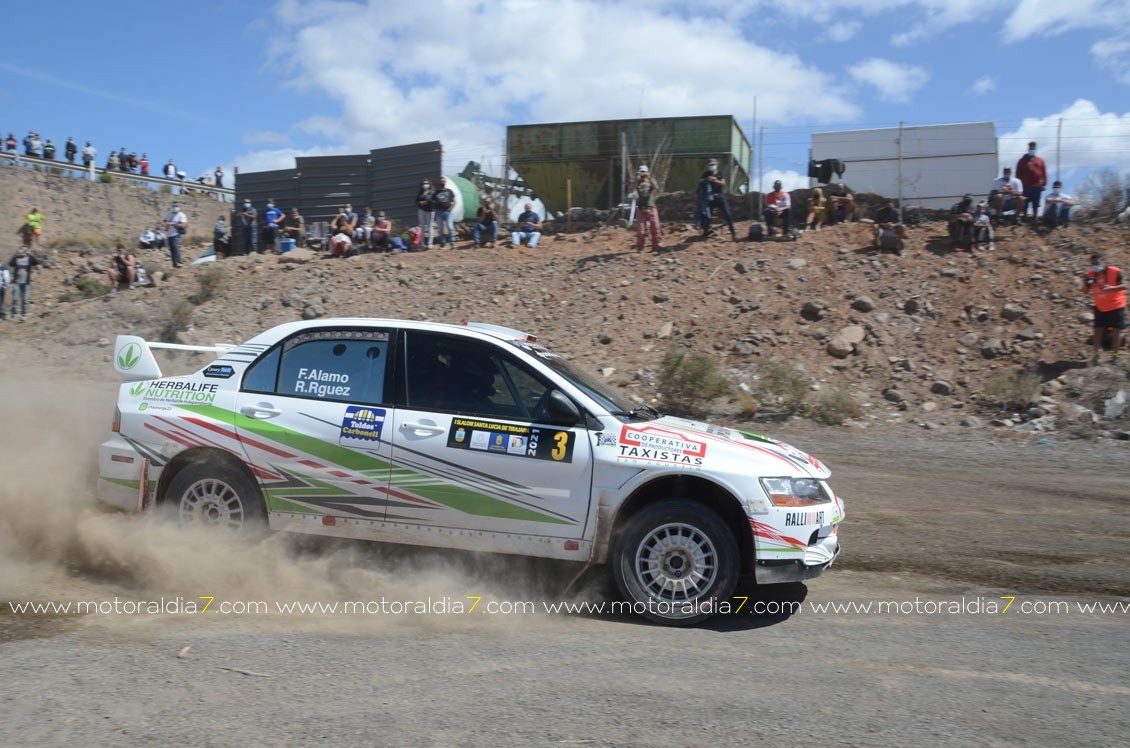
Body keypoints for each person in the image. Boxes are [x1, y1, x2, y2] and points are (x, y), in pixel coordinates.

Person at [1083, 252, 1126, 365]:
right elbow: (1084, 291)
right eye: (1093, 264)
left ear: (1103, 261)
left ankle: (1115, 355)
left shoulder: (1115, 271)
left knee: (1117, 330)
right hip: (1100, 307)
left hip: (1116, 305)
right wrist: (1086, 284)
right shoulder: (1090, 275)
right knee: (1098, 329)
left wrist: (1112, 288)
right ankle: (1096, 355)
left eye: (1097, 262)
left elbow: (1124, 285)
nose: (1095, 265)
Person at [699, 159, 737, 240]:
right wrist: (706, 180)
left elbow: (723, 183)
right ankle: (705, 232)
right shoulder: (706, 174)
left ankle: (733, 233)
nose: (711, 166)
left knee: (727, 214)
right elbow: (701, 183)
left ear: (717, 164)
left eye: (713, 164)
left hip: (720, 197)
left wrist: (715, 180)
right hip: (709, 198)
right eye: (710, 164)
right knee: (707, 215)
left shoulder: (720, 173)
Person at [1015, 141, 1047, 219]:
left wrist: (1043, 184)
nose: (1032, 149)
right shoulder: (1022, 161)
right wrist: (1019, 186)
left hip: (1037, 186)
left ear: (1035, 149)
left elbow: (1044, 173)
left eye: (1033, 148)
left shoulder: (1040, 160)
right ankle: (1025, 217)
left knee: (1036, 204)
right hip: (1025, 186)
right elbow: (1017, 174)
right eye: (1030, 148)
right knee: (1025, 203)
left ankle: (1035, 218)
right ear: (1028, 148)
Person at [633, 165, 661, 251]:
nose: (643, 174)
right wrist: (637, 180)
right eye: (642, 172)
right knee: (641, 231)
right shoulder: (638, 182)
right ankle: (640, 246)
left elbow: (656, 187)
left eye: (644, 172)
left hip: (651, 208)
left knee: (655, 228)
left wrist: (649, 177)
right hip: (641, 209)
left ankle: (656, 245)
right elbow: (632, 188)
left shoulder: (650, 181)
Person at [8, 246, 39, 321]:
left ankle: (24, 313)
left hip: (26, 283)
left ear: (27, 250)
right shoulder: (17, 258)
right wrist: (16, 255)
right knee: (15, 298)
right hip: (17, 282)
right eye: (22, 249)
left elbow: (36, 262)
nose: (23, 251)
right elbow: (10, 263)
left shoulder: (29, 259)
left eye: (25, 250)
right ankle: (13, 313)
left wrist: (30, 254)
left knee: (25, 299)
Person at [433, 177, 457, 248]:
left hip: (448, 212)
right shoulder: (436, 192)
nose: (442, 182)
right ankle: (442, 244)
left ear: (445, 182)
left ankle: (452, 243)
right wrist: (435, 209)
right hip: (439, 212)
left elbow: (454, 201)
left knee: (450, 227)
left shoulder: (449, 191)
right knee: (440, 229)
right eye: (441, 181)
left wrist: (451, 208)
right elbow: (433, 202)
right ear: (439, 182)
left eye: (443, 181)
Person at [164, 202, 188, 267]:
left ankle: (179, 261)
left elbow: (184, 225)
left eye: (177, 206)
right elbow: (164, 221)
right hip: (169, 234)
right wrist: (166, 224)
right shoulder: (169, 214)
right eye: (174, 206)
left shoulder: (181, 215)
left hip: (177, 233)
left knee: (175, 246)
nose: (176, 208)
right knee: (172, 249)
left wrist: (174, 224)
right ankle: (174, 265)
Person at [415, 179, 436, 249]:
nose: (425, 185)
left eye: (427, 183)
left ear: (429, 184)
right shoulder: (420, 192)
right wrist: (421, 201)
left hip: (430, 211)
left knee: (430, 227)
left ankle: (430, 243)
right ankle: (422, 243)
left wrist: (426, 202)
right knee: (422, 227)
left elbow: (433, 200)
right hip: (421, 211)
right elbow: (416, 201)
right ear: (422, 185)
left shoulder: (432, 192)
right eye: (424, 183)